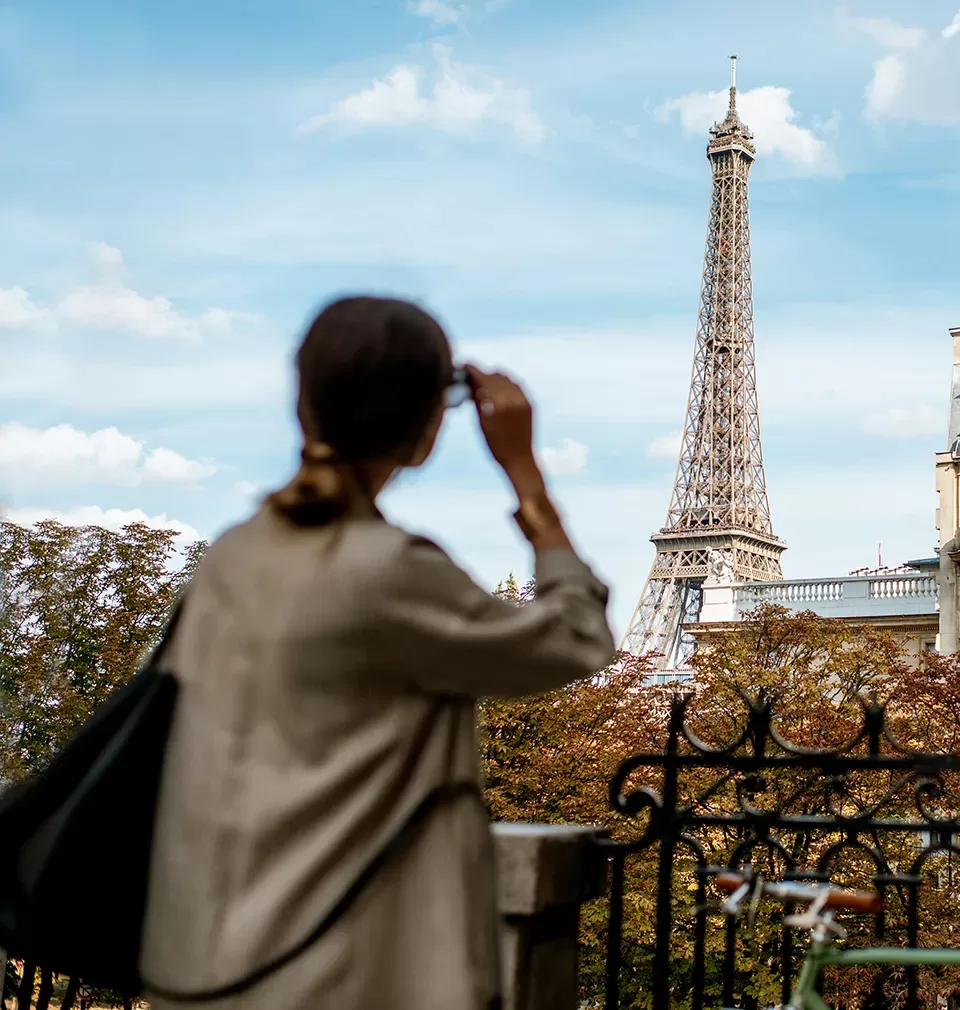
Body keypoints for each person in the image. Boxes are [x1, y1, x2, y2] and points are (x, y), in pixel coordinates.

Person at [140, 296, 615, 1010]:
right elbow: (579, 637)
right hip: (339, 968)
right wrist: (526, 477)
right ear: (428, 432)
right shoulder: (393, 573)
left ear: (304, 407)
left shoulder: (232, 558)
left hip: (202, 963)